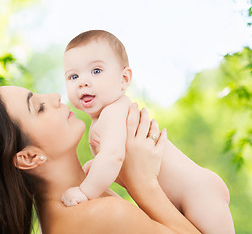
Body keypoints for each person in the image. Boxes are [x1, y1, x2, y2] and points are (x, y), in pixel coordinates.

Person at [62, 30, 235, 233]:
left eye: (96, 71)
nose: (83, 81)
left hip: (198, 193)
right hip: (186, 195)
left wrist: (85, 191)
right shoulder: (106, 118)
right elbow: (116, 159)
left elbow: (113, 156)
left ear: (124, 79)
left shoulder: (113, 112)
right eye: (73, 76)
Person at [0, 85, 202, 234]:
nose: (54, 97)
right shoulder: (104, 214)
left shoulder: (69, 212)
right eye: (39, 107)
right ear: (29, 157)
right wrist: (142, 183)